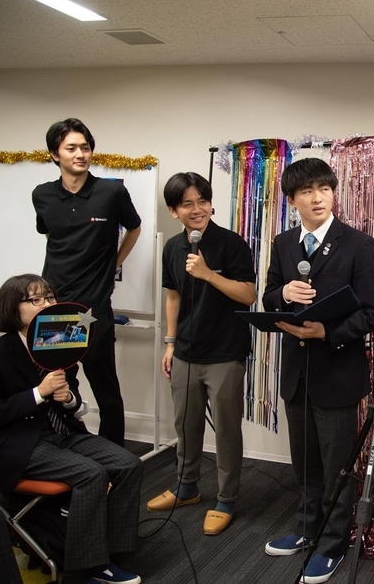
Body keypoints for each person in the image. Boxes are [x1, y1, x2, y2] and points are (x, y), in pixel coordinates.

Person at [0, 274, 143, 584]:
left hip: (62, 433)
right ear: (12, 307)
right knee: (91, 474)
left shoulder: (60, 345)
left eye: (50, 297)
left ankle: (111, 550)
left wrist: (69, 399)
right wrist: (39, 393)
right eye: (36, 299)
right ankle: (86, 569)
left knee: (129, 464)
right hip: (18, 445)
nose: (47, 304)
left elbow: (73, 403)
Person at [261, 158, 374, 584]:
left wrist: (326, 332)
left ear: (333, 193)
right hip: (296, 375)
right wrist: (283, 292)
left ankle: (332, 544)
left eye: (325, 189)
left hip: (337, 373)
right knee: (305, 464)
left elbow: (372, 312)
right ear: (291, 199)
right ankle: (305, 529)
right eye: (307, 191)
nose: (318, 198)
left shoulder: (358, 244)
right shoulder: (283, 243)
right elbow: (268, 296)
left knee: (337, 468)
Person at [145, 172, 256, 536]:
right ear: (173, 210)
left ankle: (226, 499)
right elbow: (173, 295)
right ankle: (186, 486)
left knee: (226, 430)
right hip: (185, 353)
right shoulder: (172, 248)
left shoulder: (231, 244)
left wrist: (208, 274)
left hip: (224, 353)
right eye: (187, 204)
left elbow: (248, 295)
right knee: (185, 425)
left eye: (203, 202)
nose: (197, 210)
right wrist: (170, 343)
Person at [32, 118, 142, 446]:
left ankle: (115, 459)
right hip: (54, 309)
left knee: (106, 391)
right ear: (55, 154)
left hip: (93, 310)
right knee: (57, 386)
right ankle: (66, 448)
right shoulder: (42, 195)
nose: (80, 154)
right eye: (71, 148)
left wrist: (114, 264)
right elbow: (51, 236)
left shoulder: (111, 192)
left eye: (85, 147)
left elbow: (134, 228)